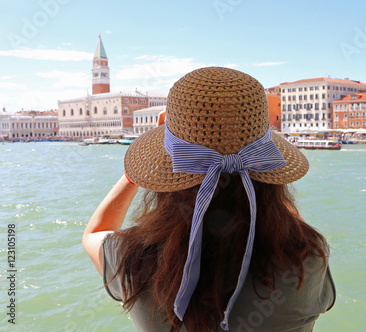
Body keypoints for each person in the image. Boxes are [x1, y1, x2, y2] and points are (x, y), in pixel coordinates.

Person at [82, 67, 335, 332]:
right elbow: (291, 224)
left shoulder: (132, 257)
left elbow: (94, 233)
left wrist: (144, 169)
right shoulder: (306, 259)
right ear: (267, 167)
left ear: (168, 167)